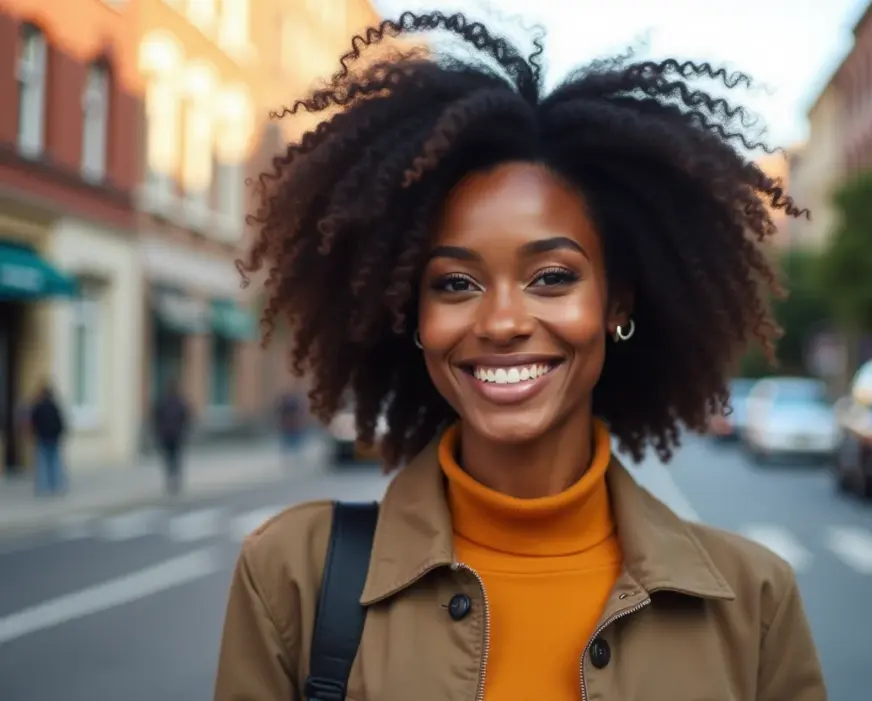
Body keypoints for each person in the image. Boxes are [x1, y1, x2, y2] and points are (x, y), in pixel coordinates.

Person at [213, 10, 826, 701]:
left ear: (616, 303)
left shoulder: (754, 603)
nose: (503, 321)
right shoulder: (293, 576)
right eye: (455, 283)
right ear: (411, 314)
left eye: (553, 277)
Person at [152, 378, 191, 495]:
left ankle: (171, 478)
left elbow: (155, 418)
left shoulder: (163, 402)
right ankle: (174, 478)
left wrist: (157, 432)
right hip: (175, 435)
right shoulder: (179, 402)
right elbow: (186, 418)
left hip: (167, 435)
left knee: (169, 458)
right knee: (175, 457)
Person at [29, 383, 66, 496]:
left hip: (43, 439)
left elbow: (33, 422)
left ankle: (42, 488)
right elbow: (60, 423)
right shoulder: (54, 407)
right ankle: (56, 486)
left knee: (43, 465)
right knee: (54, 464)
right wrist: (59, 435)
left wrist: (35, 434)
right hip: (53, 439)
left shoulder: (38, 407)